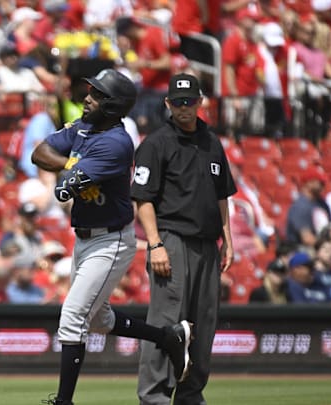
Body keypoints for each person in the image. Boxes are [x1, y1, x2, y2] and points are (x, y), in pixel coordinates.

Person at [32, 69, 191, 405]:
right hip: (85, 238)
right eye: (91, 91)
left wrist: (69, 167)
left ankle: (63, 402)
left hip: (111, 240)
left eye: (97, 94)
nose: (88, 97)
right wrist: (73, 162)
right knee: (100, 319)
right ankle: (167, 337)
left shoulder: (116, 144)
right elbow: (39, 154)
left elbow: (62, 189)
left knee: (73, 317)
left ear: (113, 105)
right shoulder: (85, 127)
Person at [128, 72, 235, 405]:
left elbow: (222, 195)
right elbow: (142, 198)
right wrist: (155, 244)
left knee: (204, 324)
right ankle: (154, 397)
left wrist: (228, 239)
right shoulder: (156, 143)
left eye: (190, 101)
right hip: (171, 240)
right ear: (168, 104)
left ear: (200, 102)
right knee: (166, 324)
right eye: (178, 102)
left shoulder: (211, 141)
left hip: (207, 244)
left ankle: (191, 396)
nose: (184, 107)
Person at [285, 166, 331, 248]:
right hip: (302, 251)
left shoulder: (323, 204)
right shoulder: (299, 206)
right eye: (320, 182)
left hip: (323, 249)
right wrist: (326, 248)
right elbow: (307, 239)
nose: (323, 185)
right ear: (309, 183)